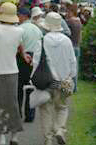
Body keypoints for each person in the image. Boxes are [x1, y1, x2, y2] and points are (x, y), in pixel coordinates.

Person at [0, 3, 31, 145]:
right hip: (12, 72)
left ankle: (2, 137)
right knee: (12, 103)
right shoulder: (19, 31)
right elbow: (19, 45)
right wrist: (24, 54)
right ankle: (14, 136)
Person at [33, 12, 77, 145]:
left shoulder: (42, 40)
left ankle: (48, 139)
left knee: (45, 110)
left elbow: (36, 62)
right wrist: (71, 77)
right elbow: (72, 61)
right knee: (62, 107)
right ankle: (60, 129)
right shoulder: (67, 41)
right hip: (63, 81)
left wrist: (33, 79)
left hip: (46, 82)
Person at [16, 6, 42, 122]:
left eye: (19, 15)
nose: (17, 17)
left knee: (19, 87)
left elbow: (17, 46)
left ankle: (18, 113)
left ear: (24, 16)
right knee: (31, 87)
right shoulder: (37, 29)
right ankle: (30, 115)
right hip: (35, 59)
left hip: (22, 58)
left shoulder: (19, 29)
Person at [64, 4, 82, 91]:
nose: (66, 13)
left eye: (68, 11)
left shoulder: (69, 22)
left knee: (69, 68)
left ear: (71, 12)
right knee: (75, 67)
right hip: (77, 46)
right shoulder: (79, 21)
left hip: (70, 47)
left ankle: (71, 86)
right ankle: (75, 86)